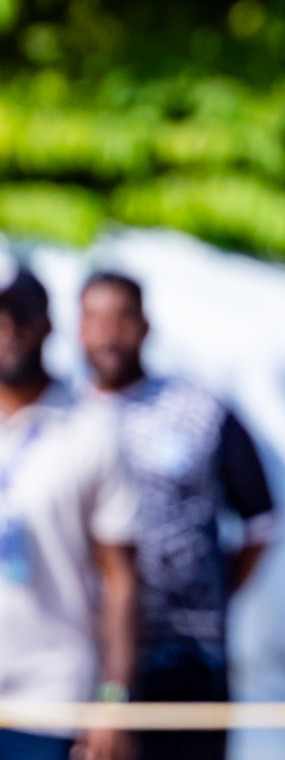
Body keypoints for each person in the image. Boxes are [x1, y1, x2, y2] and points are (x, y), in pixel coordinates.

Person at [78, 272, 277, 760]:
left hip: (186, 652)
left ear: (145, 325)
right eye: (95, 318)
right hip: (86, 653)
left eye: (122, 316)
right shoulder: (62, 416)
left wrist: (211, 591)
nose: (108, 332)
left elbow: (263, 522)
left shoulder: (197, 408)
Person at [0, 260, 137, 760]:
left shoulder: (91, 429)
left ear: (48, 323)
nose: (9, 331)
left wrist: (112, 701)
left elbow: (120, 579)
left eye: (21, 315)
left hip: (50, 698)